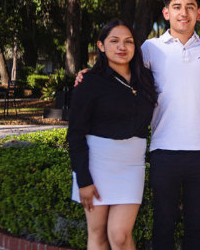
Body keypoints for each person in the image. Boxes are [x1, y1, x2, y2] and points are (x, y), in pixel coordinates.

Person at [75, 0, 200, 249]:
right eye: (177, 7)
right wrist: (88, 73)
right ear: (166, 13)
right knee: (163, 224)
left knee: (197, 226)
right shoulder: (150, 48)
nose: (184, 13)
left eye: (190, 7)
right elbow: (119, 67)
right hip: (164, 151)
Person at [67, 19, 157, 250]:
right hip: (97, 164)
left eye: (128, 42)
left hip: (131, 165)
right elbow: (75, 134)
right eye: (114, 41)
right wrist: (84, 180)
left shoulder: (146, 79)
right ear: (101, 46)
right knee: (97, 234)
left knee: (119, 235)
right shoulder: (89, 82)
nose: (122, 47)